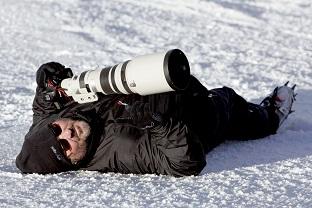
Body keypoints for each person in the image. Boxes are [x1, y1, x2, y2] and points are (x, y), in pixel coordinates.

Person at [16, 62, 296, 177]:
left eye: (57, 131)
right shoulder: (119, 151)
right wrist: (155, 122)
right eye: (65, 148)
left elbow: (43, 100)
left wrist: (48, 77)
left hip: (166, 84)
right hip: (197, 118)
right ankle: (271, 116)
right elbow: (185, 163)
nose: (68, 135)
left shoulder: (51, 117)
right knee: (228, 101)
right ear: (72, 163)